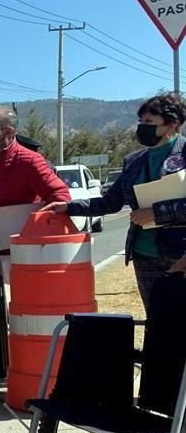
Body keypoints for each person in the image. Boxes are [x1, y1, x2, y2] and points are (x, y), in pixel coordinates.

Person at [43, 93, 186, 310]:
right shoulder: (134, 161)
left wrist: (157, 213)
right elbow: (110, 203)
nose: (142, 127)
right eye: (140, 122)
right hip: (144, 255)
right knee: (157, 322)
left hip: (180, 254)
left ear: (172, 125)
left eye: (149, 122)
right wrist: (68, 207)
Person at [0, 106, 70, 383]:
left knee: (14, 311)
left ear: (8, 132)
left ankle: (23, 366)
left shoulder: (29, 161)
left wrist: (31, 220)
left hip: (14, 251)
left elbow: (59, 195)